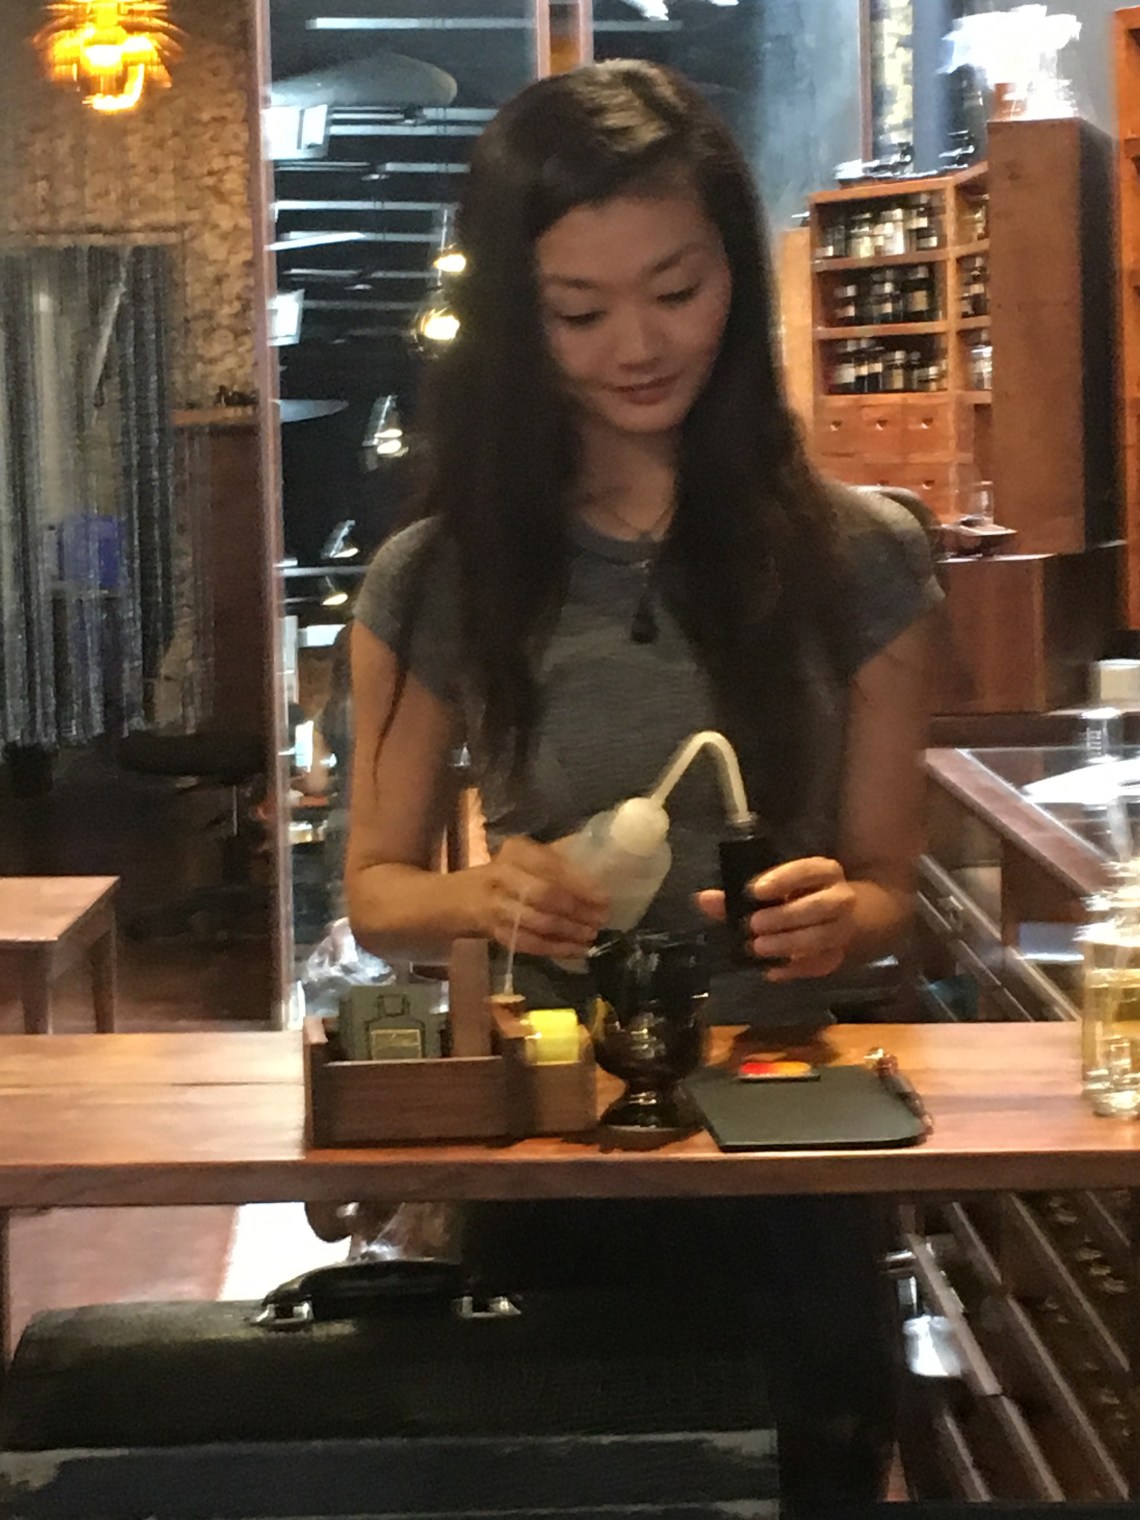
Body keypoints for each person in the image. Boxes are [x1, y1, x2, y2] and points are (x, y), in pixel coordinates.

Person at [346, 60, 938, 1511]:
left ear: (733, 269)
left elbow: (888, 891)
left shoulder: (862, 558)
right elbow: (376, 895)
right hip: (557, 1140)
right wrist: (484, 897)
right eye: (579, 311)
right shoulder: (447, 575)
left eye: (677, 289)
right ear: (517, 320)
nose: (638, 345)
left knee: (805, 1465)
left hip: (793, 1142)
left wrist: (841, 916)